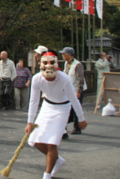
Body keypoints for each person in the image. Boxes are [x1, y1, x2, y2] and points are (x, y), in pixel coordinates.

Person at [26, 51, 87, 179]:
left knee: (51, 143)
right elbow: (34, 101)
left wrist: (81, 118)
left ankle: (47, 174)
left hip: (62, 109)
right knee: (34, 140)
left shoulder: (64, 78)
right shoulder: (37, 78)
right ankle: (57, 160)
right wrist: (30, 122)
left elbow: (74, 100)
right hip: (47, 107)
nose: (49, 78)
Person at [61, 47, 84, 135]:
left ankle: (77, 127)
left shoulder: (77, 65)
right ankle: (66, 126)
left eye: (64, 54)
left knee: (76, 108)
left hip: (76, 89)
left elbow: (80, 79)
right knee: (68, 108)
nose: (63, 55)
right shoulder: (66, 63)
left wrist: (79, 91)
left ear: (70, 55)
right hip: (69, 89)